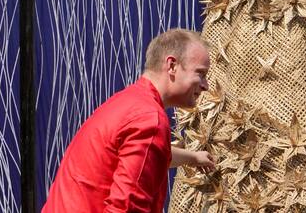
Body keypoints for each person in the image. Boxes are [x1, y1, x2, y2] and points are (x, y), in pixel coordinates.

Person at [42, 28, 216, 213]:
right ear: (172, 66)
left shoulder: (129, 102)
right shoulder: (149, 119)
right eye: (201, 74)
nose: (205, 85)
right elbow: (127, 207)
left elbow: (148, 155)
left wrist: (194, 157)